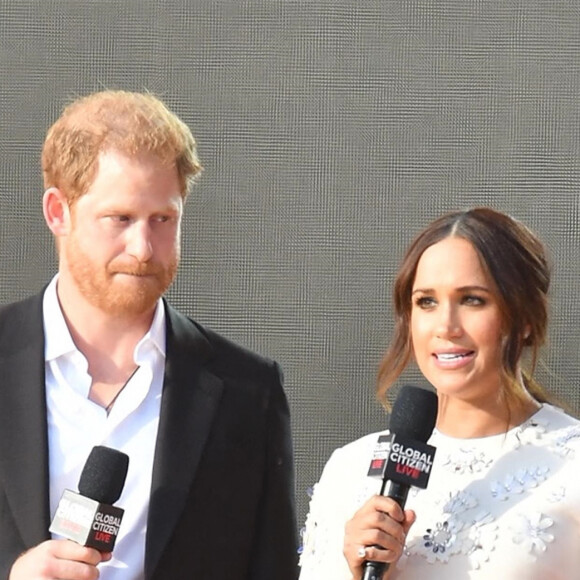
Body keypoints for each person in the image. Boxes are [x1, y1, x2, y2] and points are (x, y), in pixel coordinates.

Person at [0, 90, 298, 580]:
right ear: (58, 212)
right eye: (120, 219)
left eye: (163, 220)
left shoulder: (248, 392)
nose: (143, 248)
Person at [299, 207, 580, 579]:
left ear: (525, 319)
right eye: (426, 302)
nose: (446, 327)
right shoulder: (349, 470)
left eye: (472, 300)